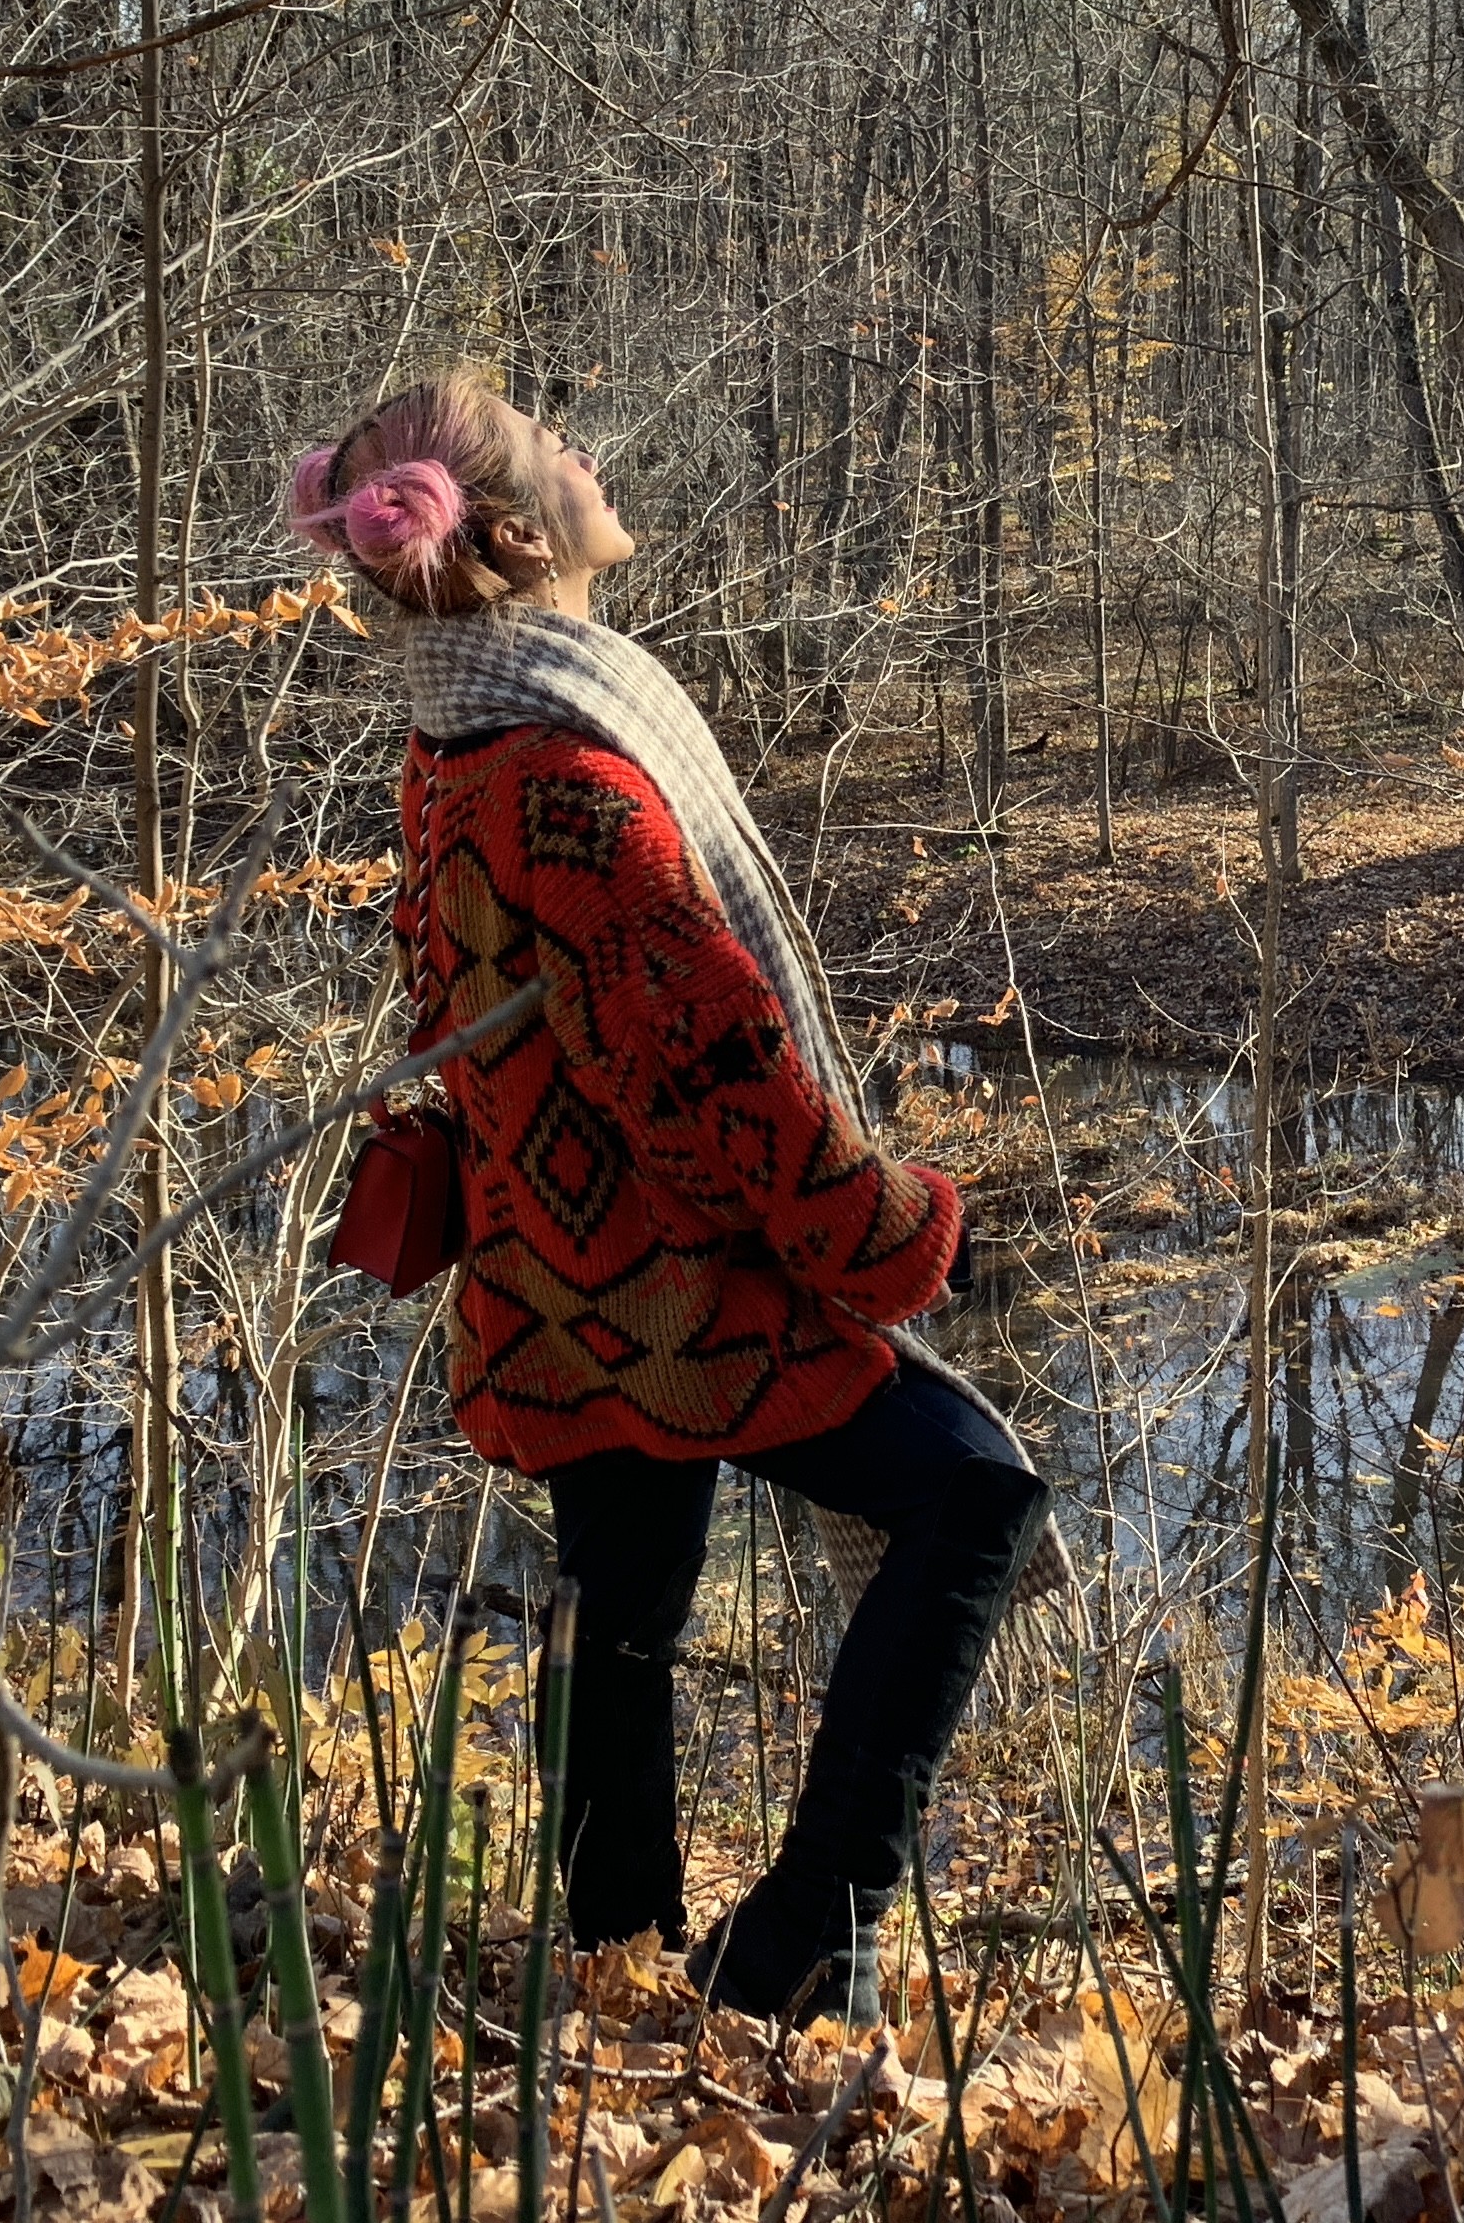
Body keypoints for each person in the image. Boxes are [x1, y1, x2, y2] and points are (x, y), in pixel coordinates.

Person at [286, 365, 1054, 2028]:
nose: (585, 447)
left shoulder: (454, 740)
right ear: (516, 534)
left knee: (623, 1613)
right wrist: (896, 1229)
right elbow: (721, 1090)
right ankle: (800, 1949)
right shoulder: (572, 779)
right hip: (665, 1301)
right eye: (550, 440)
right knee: (972, 1491)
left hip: (545, 1285)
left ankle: (614, 1958)